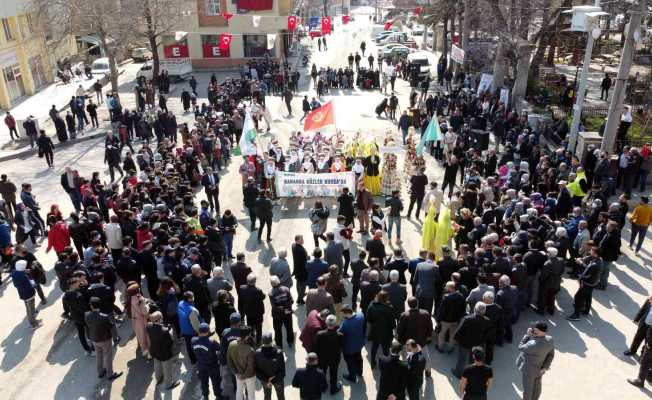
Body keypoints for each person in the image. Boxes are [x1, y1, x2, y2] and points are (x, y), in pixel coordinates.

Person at [85, 297, 122, 380]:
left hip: (94, 339)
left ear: (91, 306)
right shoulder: (104, 317)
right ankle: (110, 374)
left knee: (99, 355)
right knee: (108, 356)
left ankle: (100, 372)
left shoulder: (87, 315)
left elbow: (88, 326)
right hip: (105, 339)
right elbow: (110, 326)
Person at [516, 321, 555, 400]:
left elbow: (520, 347)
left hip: (529, 370)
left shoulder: (532, 344)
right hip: (540, 369)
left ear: (540, 331)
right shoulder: (550, 339)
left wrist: (527, 335)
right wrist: (545, 367)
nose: (533, 329)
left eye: (535, 329)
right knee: (537, 388)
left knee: (528, 390)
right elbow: (551, 355)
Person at [453, 302, 490, 379]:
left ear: (475, 309)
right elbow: (486, 334)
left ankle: (458, 373)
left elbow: (459, 331)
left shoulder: (467, 319)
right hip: (477, 344)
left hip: (465, 344)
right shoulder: (487, 321)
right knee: (473, 360)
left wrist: (456, 339)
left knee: (462, 359)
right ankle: (470, 374)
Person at [566, 246, 602, 321]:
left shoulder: (594, 265)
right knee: (588, 296)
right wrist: (582, 260)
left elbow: (585, 274)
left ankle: (576, 315)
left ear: (595, 254)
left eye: (591, 251)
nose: (590, 251)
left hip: (587, 283)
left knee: (578, 297)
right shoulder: (599, 259)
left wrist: (580, 264)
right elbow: (588, 260)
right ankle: (586, 311)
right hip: (593, 283)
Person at [147, 311, 180, 390]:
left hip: (154, 351)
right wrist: (171, 333)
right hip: (165, 354)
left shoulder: (148, 326)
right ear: (159, 319)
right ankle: (168, 385)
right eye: (161, 317)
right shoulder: (164, 331)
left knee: (157, 366)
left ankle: (158, 379)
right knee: (167, 369)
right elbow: (170, 342)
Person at [313, 314, 344, 394]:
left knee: (323, 372)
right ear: (335, 324)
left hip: (322, 358)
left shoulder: (319, 334)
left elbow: (316, 348)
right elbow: (342, 347)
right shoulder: (340, 335)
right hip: (334, 359)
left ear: (326, 323)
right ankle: (333, 389)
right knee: (334, 373)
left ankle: (323, 387)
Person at [62, 277, 93, 354]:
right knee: (90, 332)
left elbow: (66, 308)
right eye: (78, 282)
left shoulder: (65, 296)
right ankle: (93, 348)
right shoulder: (78, 295)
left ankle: (86, 349)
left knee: (81, 334)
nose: (79, 283)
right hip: (84, 316)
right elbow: (84, 308)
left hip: (75, 317)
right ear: (73, 284)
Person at [192, 322, 222, 400]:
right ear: (208, 331)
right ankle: (218, 396)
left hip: (201, 366)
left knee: (203, 382)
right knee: (216, 382)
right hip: (212, 366)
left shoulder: (193, 340)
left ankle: (205, 396)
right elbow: (219, 348)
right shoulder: (212, 342)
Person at [367, 291, 396, 369]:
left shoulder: (371, 306)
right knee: (385, 349)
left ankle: (372, 363)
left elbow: (369, 319)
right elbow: (392, 323)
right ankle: (385, 364)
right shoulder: (389, 308)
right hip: (386, 333)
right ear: (386, 298)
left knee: (374, 348)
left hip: (375, 331)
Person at [227, 327, 257, 400]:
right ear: (247, 336)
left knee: (239, 392)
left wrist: (236, 373)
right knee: (251, 394)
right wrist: (243, 376)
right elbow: (250, 367)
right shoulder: (250, 350)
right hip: (249, 376)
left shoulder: (231, 344)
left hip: (238, 374)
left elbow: (229, 361)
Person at [436, 282, 466, 353]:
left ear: (451, 288)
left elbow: (441, 311)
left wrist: (438, 320)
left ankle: (440, 347)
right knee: (452, 334)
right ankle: (450, 348)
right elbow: (463, 309)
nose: (446, 288)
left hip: (445, 321)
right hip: (455, 320)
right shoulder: (461, 296)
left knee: (441, 334)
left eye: (447, 287)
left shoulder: (446, 297)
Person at [255, 332, 286, 400]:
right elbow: (282, 370)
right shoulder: (279, 352)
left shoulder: (257, 353)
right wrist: (273, 381)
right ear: (271, 340)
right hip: (278, 380)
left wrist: (267, 381)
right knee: (281, 396)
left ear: (262, 341)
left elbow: (256, 370)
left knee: (267, 396)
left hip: (265, 381)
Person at [12, 260, 42, 329]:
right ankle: (33, 324)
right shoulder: (24, 276)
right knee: (31, 309)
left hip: (22, 294)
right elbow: (30, 285)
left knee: (28, 308)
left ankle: (33, 321)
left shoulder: (14, 273)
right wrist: (34, 284)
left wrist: (24, 271)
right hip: (29, 294)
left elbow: (15, 284)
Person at [339, 305, 365, 382]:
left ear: (346, 313)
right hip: (359, 344)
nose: (342, 315)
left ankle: (352, 377)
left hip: (349, 347)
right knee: (359, 358)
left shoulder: (346, 323)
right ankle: (359, 372)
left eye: (343, 314)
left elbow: (339, 333)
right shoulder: (361, 316)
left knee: (350, 363)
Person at [239, 273, 266, 345]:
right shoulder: (258, 290)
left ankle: (251, 337)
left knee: (250, 326)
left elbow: (241, 299)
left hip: (248, 312)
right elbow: (263, 297)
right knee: (259, 327)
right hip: (258, 313)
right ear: (255, 281)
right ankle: (258, 341)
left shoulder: (242, 288)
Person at [269, 275, 294, 348]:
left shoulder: (271, 293)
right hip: (287, 313)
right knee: (289, 328)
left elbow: (274, 306)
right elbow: (291, 301)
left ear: (271, 284)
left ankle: (279, 345)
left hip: (277, 315)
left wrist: (281, 308)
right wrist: (286, 307)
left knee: (277, 330)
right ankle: (290, 342)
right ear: (279, 281)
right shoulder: (286, 289)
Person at [178, 291, 202, 365]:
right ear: (189, 299)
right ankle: (197, 359)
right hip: (191, 331)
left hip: (183, 329)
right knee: (195, 345)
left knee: (188, 345)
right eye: (192, 297)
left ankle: (192, 360)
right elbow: (195, 324)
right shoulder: (192, 310)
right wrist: (200, 332)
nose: (193, 298)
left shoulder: (180, 303)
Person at [291, 234, 308, 304]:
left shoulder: (293, 245)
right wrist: (307, 258)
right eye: (301, 239)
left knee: (299, 283)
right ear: (297, 240)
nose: (303, 240)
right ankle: (300, 299)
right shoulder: (300, 250)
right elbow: (303, 260)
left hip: (297, 270)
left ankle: (300, 294)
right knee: (303, 285)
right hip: (302, 270)